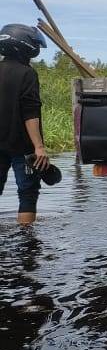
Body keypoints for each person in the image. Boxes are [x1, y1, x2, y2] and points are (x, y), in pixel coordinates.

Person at [0, 23, 50, 225]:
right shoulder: (27, 73)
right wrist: (39, 147)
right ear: (24, 46)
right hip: (23, 147)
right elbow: (30, 113)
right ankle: (26, 243)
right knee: (28, 194)